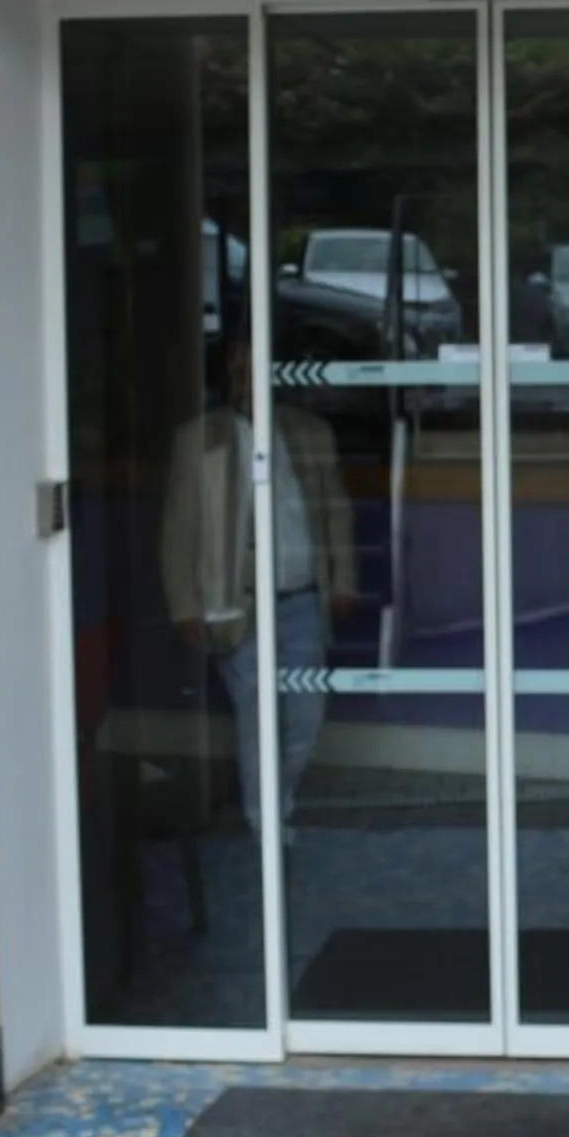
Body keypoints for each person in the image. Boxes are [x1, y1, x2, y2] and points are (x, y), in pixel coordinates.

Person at [162, 334, 357, 828]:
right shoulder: (199, 439)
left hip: (301, 601)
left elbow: (337, 514)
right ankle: (264, 822)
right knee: (255, 718)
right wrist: (184, 605)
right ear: (227, 376)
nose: (248, 382)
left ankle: (279, 798)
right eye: (240, 372)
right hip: (233, 602)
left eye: (259, 371)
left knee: (306, 716)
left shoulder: (310, 433)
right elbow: (179, 528)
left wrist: (344, 581)